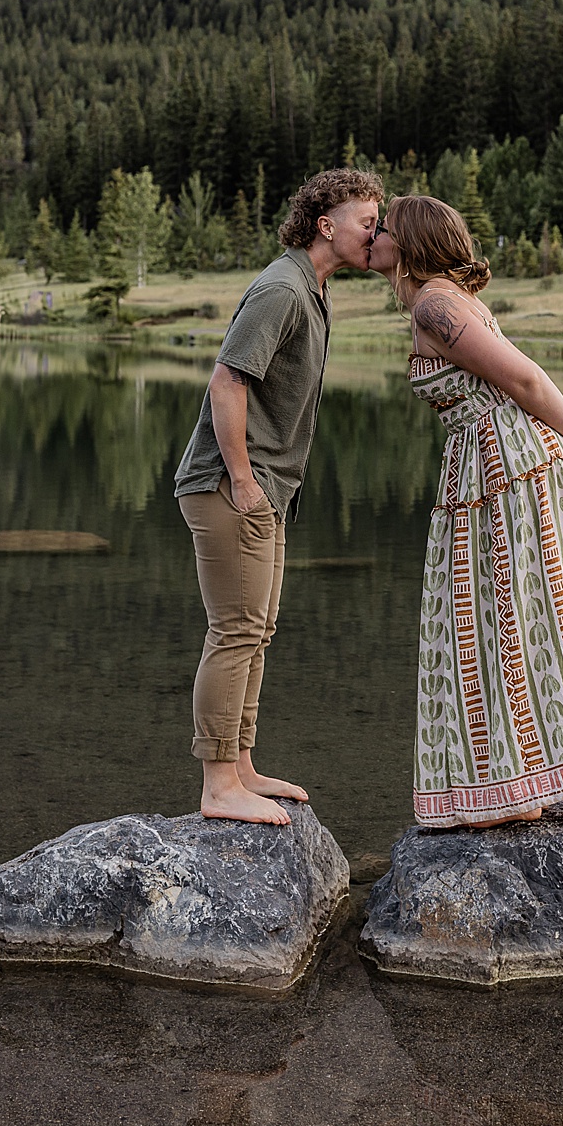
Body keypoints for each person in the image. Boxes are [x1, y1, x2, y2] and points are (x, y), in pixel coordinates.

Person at [369, 193, 563, 828]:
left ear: (410, 242)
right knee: (494, 618)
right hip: (487, 464)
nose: (373, 235)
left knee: (507, 618)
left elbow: (524, 380)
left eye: (385, 228)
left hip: (510, 468)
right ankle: (514, 781)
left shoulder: (435, 302)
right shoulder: (436, 301)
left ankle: (516, 785)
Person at [174, 166, 384, 825]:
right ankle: (217, 786)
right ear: (327, 225)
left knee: (256, 630)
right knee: (235, 629)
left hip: (261, 488)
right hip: (229, 486)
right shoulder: (283, 288)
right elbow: (226, 383)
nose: (377, 234)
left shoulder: (312, 288)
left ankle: (240, 767)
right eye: (367, 222)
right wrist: (241, 479)